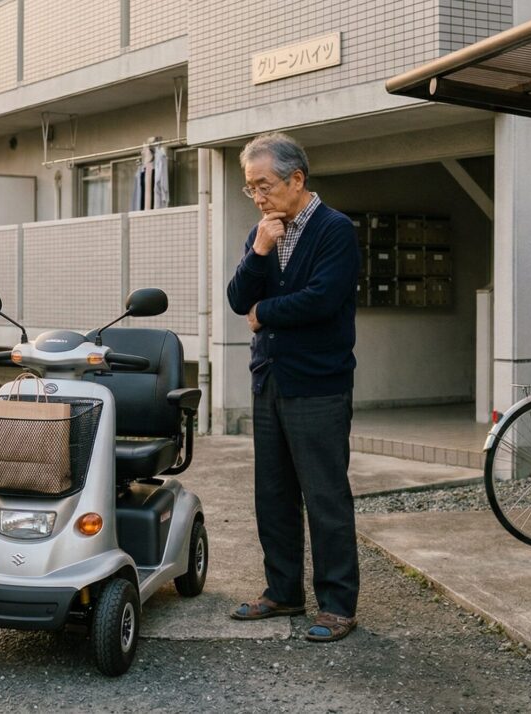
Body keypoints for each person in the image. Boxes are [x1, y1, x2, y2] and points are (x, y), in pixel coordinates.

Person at [225, 132, 361, 642]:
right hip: (270, 379)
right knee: (274, 494)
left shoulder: (335, 230)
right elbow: (238, 299)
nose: (258, 197)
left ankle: (337, 605)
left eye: (264, 185)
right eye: (251, 188)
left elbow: (322, 299)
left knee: (325, 496)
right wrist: (259, 251)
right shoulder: (262, 232)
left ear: (296, 178)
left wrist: (265, 311)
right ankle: (283, 592)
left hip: (319, 384)